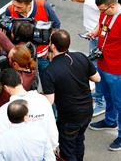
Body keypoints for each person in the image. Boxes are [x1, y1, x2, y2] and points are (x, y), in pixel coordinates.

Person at [41, 29, 101, 160]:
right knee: (79, 140)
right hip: (87, 111)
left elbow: (49, 101)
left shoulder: (49, 71)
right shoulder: (80, 57)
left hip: (69, 117)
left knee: (68, 149)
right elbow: (97, 78)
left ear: (52, 46)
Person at [0, 68, 59, 151]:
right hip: (44, 151)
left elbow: (0, 139)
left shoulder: (4, 111)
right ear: (21, 79)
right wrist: (53, 147)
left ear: (6, 87)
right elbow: (51, 128)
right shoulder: (42, 100)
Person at [88, 0, 121, 151]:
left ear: (112, 6)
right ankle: (110, 120)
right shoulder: (105, 12)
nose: (101, 12)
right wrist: (95, 33)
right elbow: (101, 27)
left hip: (117, 70)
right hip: (103, 64)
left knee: (119, 103)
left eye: (103, 10)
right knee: (108, 97)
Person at [5, 0, 61, 73]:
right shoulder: (9, 10)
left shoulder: (44, 6)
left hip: (42, 56)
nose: (15, 9)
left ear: (29, 4)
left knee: (47, 79)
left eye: (19, 7)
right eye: (13, 5)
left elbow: (56, 26)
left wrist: (51, 49)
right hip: (22, 59)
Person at [71, 0, 106, 117]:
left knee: (98, 69)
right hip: (93, 31)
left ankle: (101, 102)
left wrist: (86, 0)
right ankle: (99, 96)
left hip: (101, 33)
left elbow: (109, 5)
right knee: (95, 67)